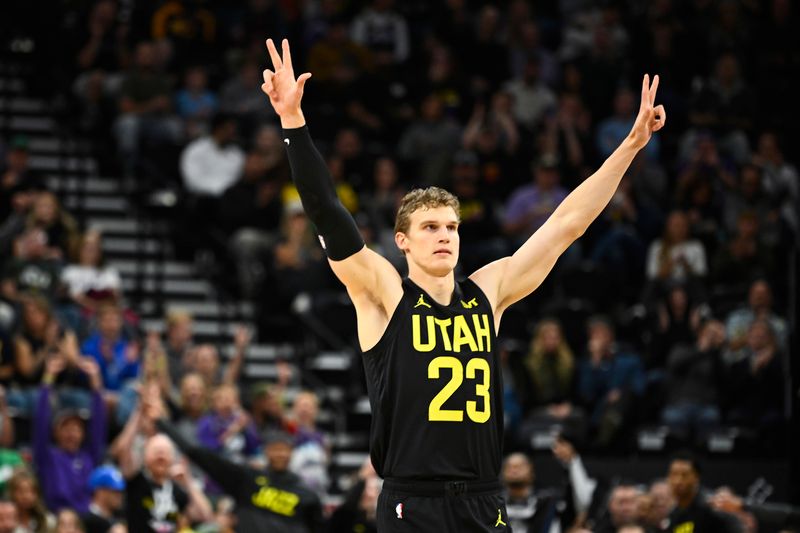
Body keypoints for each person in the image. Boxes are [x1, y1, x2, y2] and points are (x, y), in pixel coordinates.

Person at [261, 37, 665, 532]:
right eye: (430, 228)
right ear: (403, 241)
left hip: (482, 499)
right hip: (412, 501)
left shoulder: (487, 291)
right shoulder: (385, 293)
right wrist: (293, 125)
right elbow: (327, 210)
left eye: (451, 227)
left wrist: (629, 147)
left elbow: (566, 224)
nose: (445, 236)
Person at [82, 465, 125, 533]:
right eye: (115, 492)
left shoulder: (118, 518)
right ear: (100, 492)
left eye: (120, 492)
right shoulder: (85, 522)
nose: (120, 496)